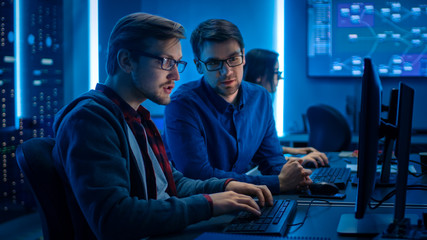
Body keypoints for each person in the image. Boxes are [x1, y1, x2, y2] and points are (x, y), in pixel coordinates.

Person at [52, 13, 274, 239]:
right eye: (166, 62)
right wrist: (208, 204)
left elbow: (171, 183)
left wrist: (226, 187)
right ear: (126, 61)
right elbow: (114, 219)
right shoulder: (90, 120)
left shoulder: (134, 116)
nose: (176, 75)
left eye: (177, 63)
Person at [163, 19, 312, 195]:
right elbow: (198, 174)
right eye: (213, 63)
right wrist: (276, 183)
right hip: (197, 208)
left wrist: (296, 178)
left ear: (243, 57)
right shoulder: (182, 104)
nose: (227, 71)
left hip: (241, 204)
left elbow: (271, 160)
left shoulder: (260, 98)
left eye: (233, 58)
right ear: (198, 66)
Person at [243, 48, 328, 168]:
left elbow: (262, 147)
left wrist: (293, 151)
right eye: (276, 72)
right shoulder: (246, 108)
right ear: (259, 76)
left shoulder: (259, 103)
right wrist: (298, 159)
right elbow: (251, 157)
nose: (279, 78)